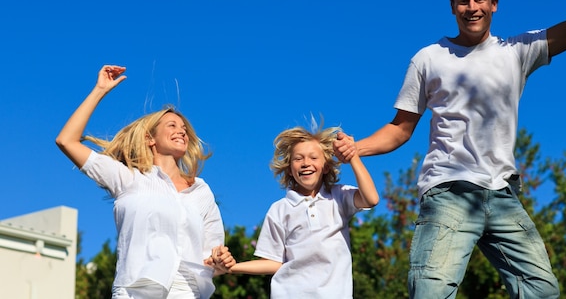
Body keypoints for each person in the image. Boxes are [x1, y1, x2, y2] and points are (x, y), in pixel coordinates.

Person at [334, 0, 566, 299]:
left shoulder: (517, 50)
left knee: (543, 291)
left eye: (479, 0)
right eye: (463, 1)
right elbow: (400, 129)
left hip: (503, 194)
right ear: (453, 6)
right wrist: (354, 148)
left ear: (494, 4)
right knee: (430, 292)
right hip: (449, 191)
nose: (471, 8)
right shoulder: (429, 58)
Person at [56, 65, 235, 299]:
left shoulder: (202, 192)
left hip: (187, 293)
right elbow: (66, 141)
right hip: (134, 291)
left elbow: (209, 262)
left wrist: (220, 263)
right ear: (150, 138)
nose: (182, 132)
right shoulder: (128, 178)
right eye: (172, 126)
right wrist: (100, 90)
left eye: (184, 129)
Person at [228, 126, 379, 298]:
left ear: (326, 166)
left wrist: (353, 157)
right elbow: (273, 262)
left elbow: (371, 199)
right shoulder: (280, 209)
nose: (306, 163)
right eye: (298, 159)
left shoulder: (339, 196)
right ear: (290, 169)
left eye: (314, 157)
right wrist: (232, 267)